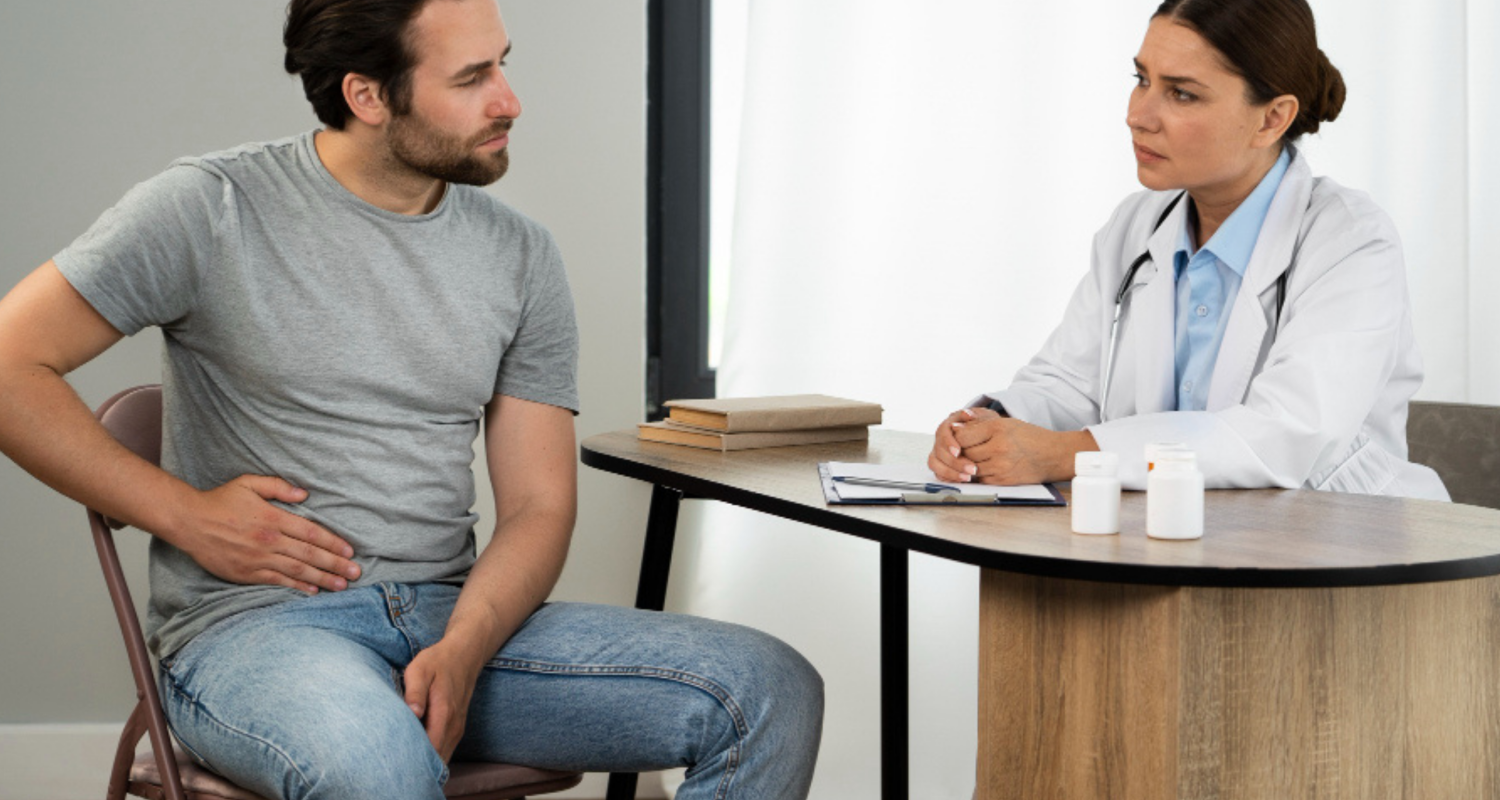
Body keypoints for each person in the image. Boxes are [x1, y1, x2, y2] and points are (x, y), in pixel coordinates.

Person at [0, 1, 822, 798]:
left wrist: (464, 647)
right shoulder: (210, 209)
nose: (509, 101)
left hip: (457, 620)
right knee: (379, 765)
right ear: (367, 95)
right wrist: (183, 514)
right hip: (256, 632)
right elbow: (10, 364)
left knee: (767, 691)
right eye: (471, 78)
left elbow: (538, 506)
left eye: (503, 63)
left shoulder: (519, 256)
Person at [928, 0, 1448, 500]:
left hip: (1342, 556)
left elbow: (1289, 433)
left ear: (1272, 119)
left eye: (1182, 94)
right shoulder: (1135, 226)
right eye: (1142, 80)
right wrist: (986, 426)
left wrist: (1069, 453)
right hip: (1176, 536)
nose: (1138, 115)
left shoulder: (1350, 240)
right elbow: (1067, 384)